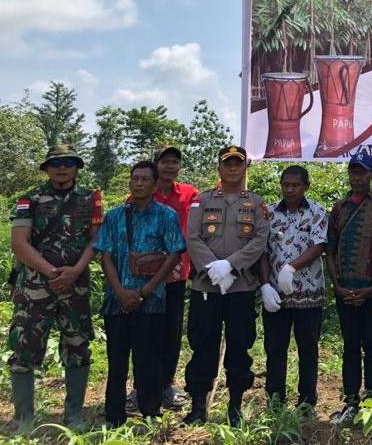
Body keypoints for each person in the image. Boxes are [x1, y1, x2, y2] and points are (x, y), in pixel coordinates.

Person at [8, 144, 103, 430]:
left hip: (75, 287)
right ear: (47, 168)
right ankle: (24, 419)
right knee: (24, 349)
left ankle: (73, 416)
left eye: (68, 162)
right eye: (56, 163)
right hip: (36, 288)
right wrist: (51, 272)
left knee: (78, 347)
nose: (62, 167)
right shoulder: (30, 199)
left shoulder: (91, 199)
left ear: (77, 167)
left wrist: (74, 271)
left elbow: (95, 240)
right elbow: (19, 243)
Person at [183, 145, 269, 425]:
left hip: (240, 287)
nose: (233, 168)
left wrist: (230, 266)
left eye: (238, 164)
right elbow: (193, 237)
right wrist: (213, 268)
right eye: (227, 163)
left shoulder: (256, 204)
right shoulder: (202, 200)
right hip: (206, 287)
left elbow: (260, 240)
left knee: (239, 346)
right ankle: (198, 408)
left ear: (246, 168)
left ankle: (235, 407)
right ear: (219, 169)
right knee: (202, 344)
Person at [95, 161, 185, 426]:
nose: (138, 183)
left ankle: (150, 412)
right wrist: (120, 291)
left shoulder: (166, 215)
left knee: (149, 361)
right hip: (117, 302)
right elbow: (106, 255)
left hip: (152, 301)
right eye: (135, 178)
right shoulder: (114, 216)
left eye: (145, 179)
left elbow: (174, 254)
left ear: (155, 184)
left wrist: (145, 290)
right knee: (117, 362)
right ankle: (114, 416)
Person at [126, 146, 199, 412]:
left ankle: (166, 385)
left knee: (171, 331)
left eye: (175, 162)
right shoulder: (140, 194)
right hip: (145, 278)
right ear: (156, 166)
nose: (170, 166)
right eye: (165, 161)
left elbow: (201, 226)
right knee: (144, 333)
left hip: (177, 276)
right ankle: (140, 387)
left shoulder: (190, 195)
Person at [325, 152, 372, 424]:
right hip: (345, 291)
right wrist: (338, 285)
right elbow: (330, 249)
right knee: (350, 346)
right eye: (353, 172)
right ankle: (351, 400)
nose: (357, 177)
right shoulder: (339, 208)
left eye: (362, 172)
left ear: (371, 175)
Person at [259, 165, 327, 410]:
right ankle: (275, 400)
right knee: (274, 348)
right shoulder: (269, 214)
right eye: (285, 184)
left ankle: (307, 400)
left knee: (308, 348)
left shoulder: (317, 212)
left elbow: (318, 246)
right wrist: (265, 284)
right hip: (275, 296)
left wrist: (292, 268)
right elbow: (263, 252)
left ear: (306, 186)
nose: (290, 189)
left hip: (309, 294)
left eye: (295, 185)